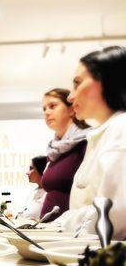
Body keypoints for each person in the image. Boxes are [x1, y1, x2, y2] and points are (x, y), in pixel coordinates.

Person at [57, 46, 126, 239]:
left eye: (78, 83)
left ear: (107, 81)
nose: (71, 96)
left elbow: (113, 217)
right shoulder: (106, 133)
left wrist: (63, 222)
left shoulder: (121, 129)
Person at [40, 88, 89, 221]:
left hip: (70, 231)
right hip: (51, 229)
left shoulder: (85, 143)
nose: (47, 112)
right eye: (44, 109)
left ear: (71, 109)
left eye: (52, 106)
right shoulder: (54, 150)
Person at [20, 156, 47, 220]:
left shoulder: (49, 194)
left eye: (31, 168)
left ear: (41, 169)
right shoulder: (34, 192)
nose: (27, 173)